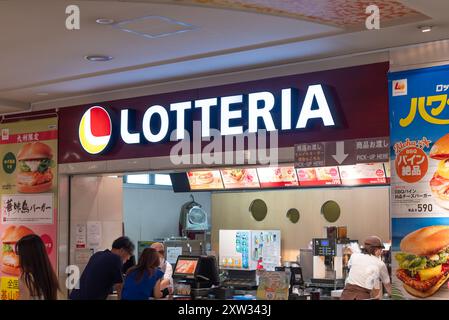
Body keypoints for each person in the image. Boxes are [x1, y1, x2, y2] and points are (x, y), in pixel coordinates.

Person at [69, 236, 135, 300]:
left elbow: (97, 280)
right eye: (129, 255)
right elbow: (119, 286)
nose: (128, 258)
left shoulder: (97, 255)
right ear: (122, 250)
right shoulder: (116, 259)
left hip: (75, 296)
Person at [340, 236, 392, 300]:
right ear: (376, 250)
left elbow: (354, 270)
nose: (381, 252)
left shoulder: (354, 256)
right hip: (362, 296)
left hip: (346, 295)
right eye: (380, 249)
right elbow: (387, 285)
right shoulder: (380, 264)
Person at [16, 234, 60, 300]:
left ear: (26, 256)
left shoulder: (26, 278)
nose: (18, 257)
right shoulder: (49, 275)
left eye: (19, 254)